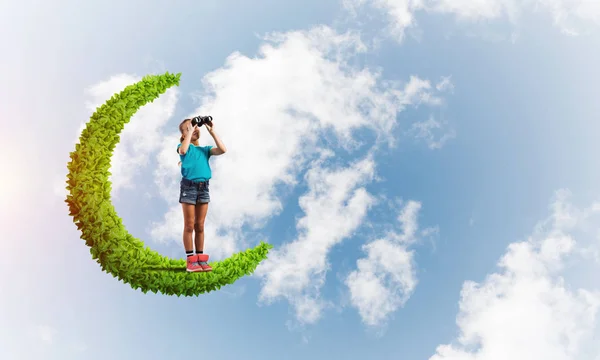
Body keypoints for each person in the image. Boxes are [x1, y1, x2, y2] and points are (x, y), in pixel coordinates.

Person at [177, 117, 227, 272]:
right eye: (189, 128)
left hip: (204, 188)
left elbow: (223, 150)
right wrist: (190, 129)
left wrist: (212, 131)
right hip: (189, 188)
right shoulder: (182, 147)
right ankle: (190, 260)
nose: (194, 128)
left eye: (195, 126)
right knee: (189, 225)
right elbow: (183, 150)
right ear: (184, 135)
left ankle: (200, 259)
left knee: (200, 226)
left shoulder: (204, 150)